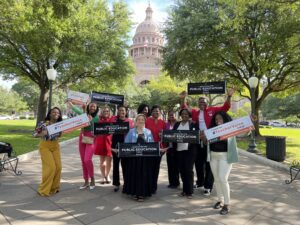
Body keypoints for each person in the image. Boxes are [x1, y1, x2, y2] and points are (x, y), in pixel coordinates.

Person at [180, 88, 235, 196]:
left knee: (209, 163)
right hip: (198, 141)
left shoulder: (213, 110)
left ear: (207, 103)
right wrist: (183, 99)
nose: (202, 103)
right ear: (198, 103)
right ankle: (200, 182)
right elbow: (184, 108)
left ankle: (208, 186)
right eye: (200, 102)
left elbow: (226, 107)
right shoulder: (195, 112)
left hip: (210, 141)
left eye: (204, 102)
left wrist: (229, 96)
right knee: (198, 163)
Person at [206, 111, 238, 215]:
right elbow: (206, 142)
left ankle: (227, 204)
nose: (218, 121)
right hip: (213, 156)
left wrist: (251, 122)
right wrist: (205, 140)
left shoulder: (230, 130)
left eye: (220, 119)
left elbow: (244, 132)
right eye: (216, 119)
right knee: (217, 179)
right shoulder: (211, 131)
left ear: (225, 119)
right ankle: (220, 200)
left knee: (223, 178)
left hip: (225, 157)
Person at [123, 114, 155, 201]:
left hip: (145, 159)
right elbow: (126, 143)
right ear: (136, 122)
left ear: (144, 121)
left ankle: (142, 194)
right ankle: (135, 192)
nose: (141, 121)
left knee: (144, 175)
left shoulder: (148, 132)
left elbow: (152, 144)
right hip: (134, 158)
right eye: (139, 119)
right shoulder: (131, 132)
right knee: (135, 175)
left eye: (142, 119)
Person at [68, 101, 99, 190]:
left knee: (87, 159)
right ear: (89, 107)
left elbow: (96, 126)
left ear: (96, 108)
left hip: (91, 139)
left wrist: (90, 120)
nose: (92, 108)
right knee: (83, 161)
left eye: (94, 106)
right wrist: (70, 103)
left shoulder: (97, 118)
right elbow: (76, 110)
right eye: (91, 106)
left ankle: (92, 178)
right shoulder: (84, 114)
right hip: (82, 137)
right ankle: (86, 181)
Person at [33, 107, 63, 197]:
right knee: (51, 168)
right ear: (50, 114)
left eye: (58, 113)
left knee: (58, 167)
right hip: (45, 146)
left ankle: (54, 188)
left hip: (55, 146)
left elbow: (60, 134)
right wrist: (43, 133)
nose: (56, 114)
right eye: (54, 112)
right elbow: (34, 134)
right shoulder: (43, 124)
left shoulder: (60, 124)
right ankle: (43, 189)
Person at [173, 109, 198, 198]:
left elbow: (196, 136)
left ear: (189, 115)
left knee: (188, 171)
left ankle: (190, 191)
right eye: (182, 114)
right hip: (179, 150)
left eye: (186, 114)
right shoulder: (177, 124)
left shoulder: (193, 124)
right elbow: (172, 135)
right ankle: (184, 190)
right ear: (180, 115)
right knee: (182, 171)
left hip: (189, 151)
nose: (184, 115)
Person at [111, 105, 134, 192]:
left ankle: (127, 183)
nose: (122, 112)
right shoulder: (114, 121)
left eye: (123, 110)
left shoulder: (130, 122)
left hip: (126, 146)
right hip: (115, 146)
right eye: (120, 110)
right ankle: (116, 184)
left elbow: (132, 133)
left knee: (126, 166)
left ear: (126, 112)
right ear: (118, 112)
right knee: (116, 165)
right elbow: (107, 131)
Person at [145, 105, 167, 194]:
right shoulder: (147, 121)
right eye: (154, 111)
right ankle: (148, 185)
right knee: (148, 168)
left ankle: (154, 187)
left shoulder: (163, 123)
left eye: (157, 111)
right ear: (151, 112)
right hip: (148, 148)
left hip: (159, 149)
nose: (156, 113)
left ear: (160, 112)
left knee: (156, 168)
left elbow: (167, 136)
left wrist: (163, 136)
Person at [94, 105, 113, 184]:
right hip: (101, 142)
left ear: (109, 112)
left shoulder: (112, 120)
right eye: (104, 111)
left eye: (107, 111)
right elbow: (94, 130)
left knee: (109, 161)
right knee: (102, 161)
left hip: (110, 142)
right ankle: (102, 176)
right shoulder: (98, 120)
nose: (106, 112)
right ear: (102, 112)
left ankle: (107, 175)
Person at [166, 110, 180, 189]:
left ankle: (176, 182)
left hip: (177, 148)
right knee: (170, 166)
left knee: (176, 166)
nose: (171, 116)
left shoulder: (179, 124)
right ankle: (171, 182)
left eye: (173, 115)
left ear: (176, 116)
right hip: (169, 148)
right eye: (170, 115)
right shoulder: (166, 124)